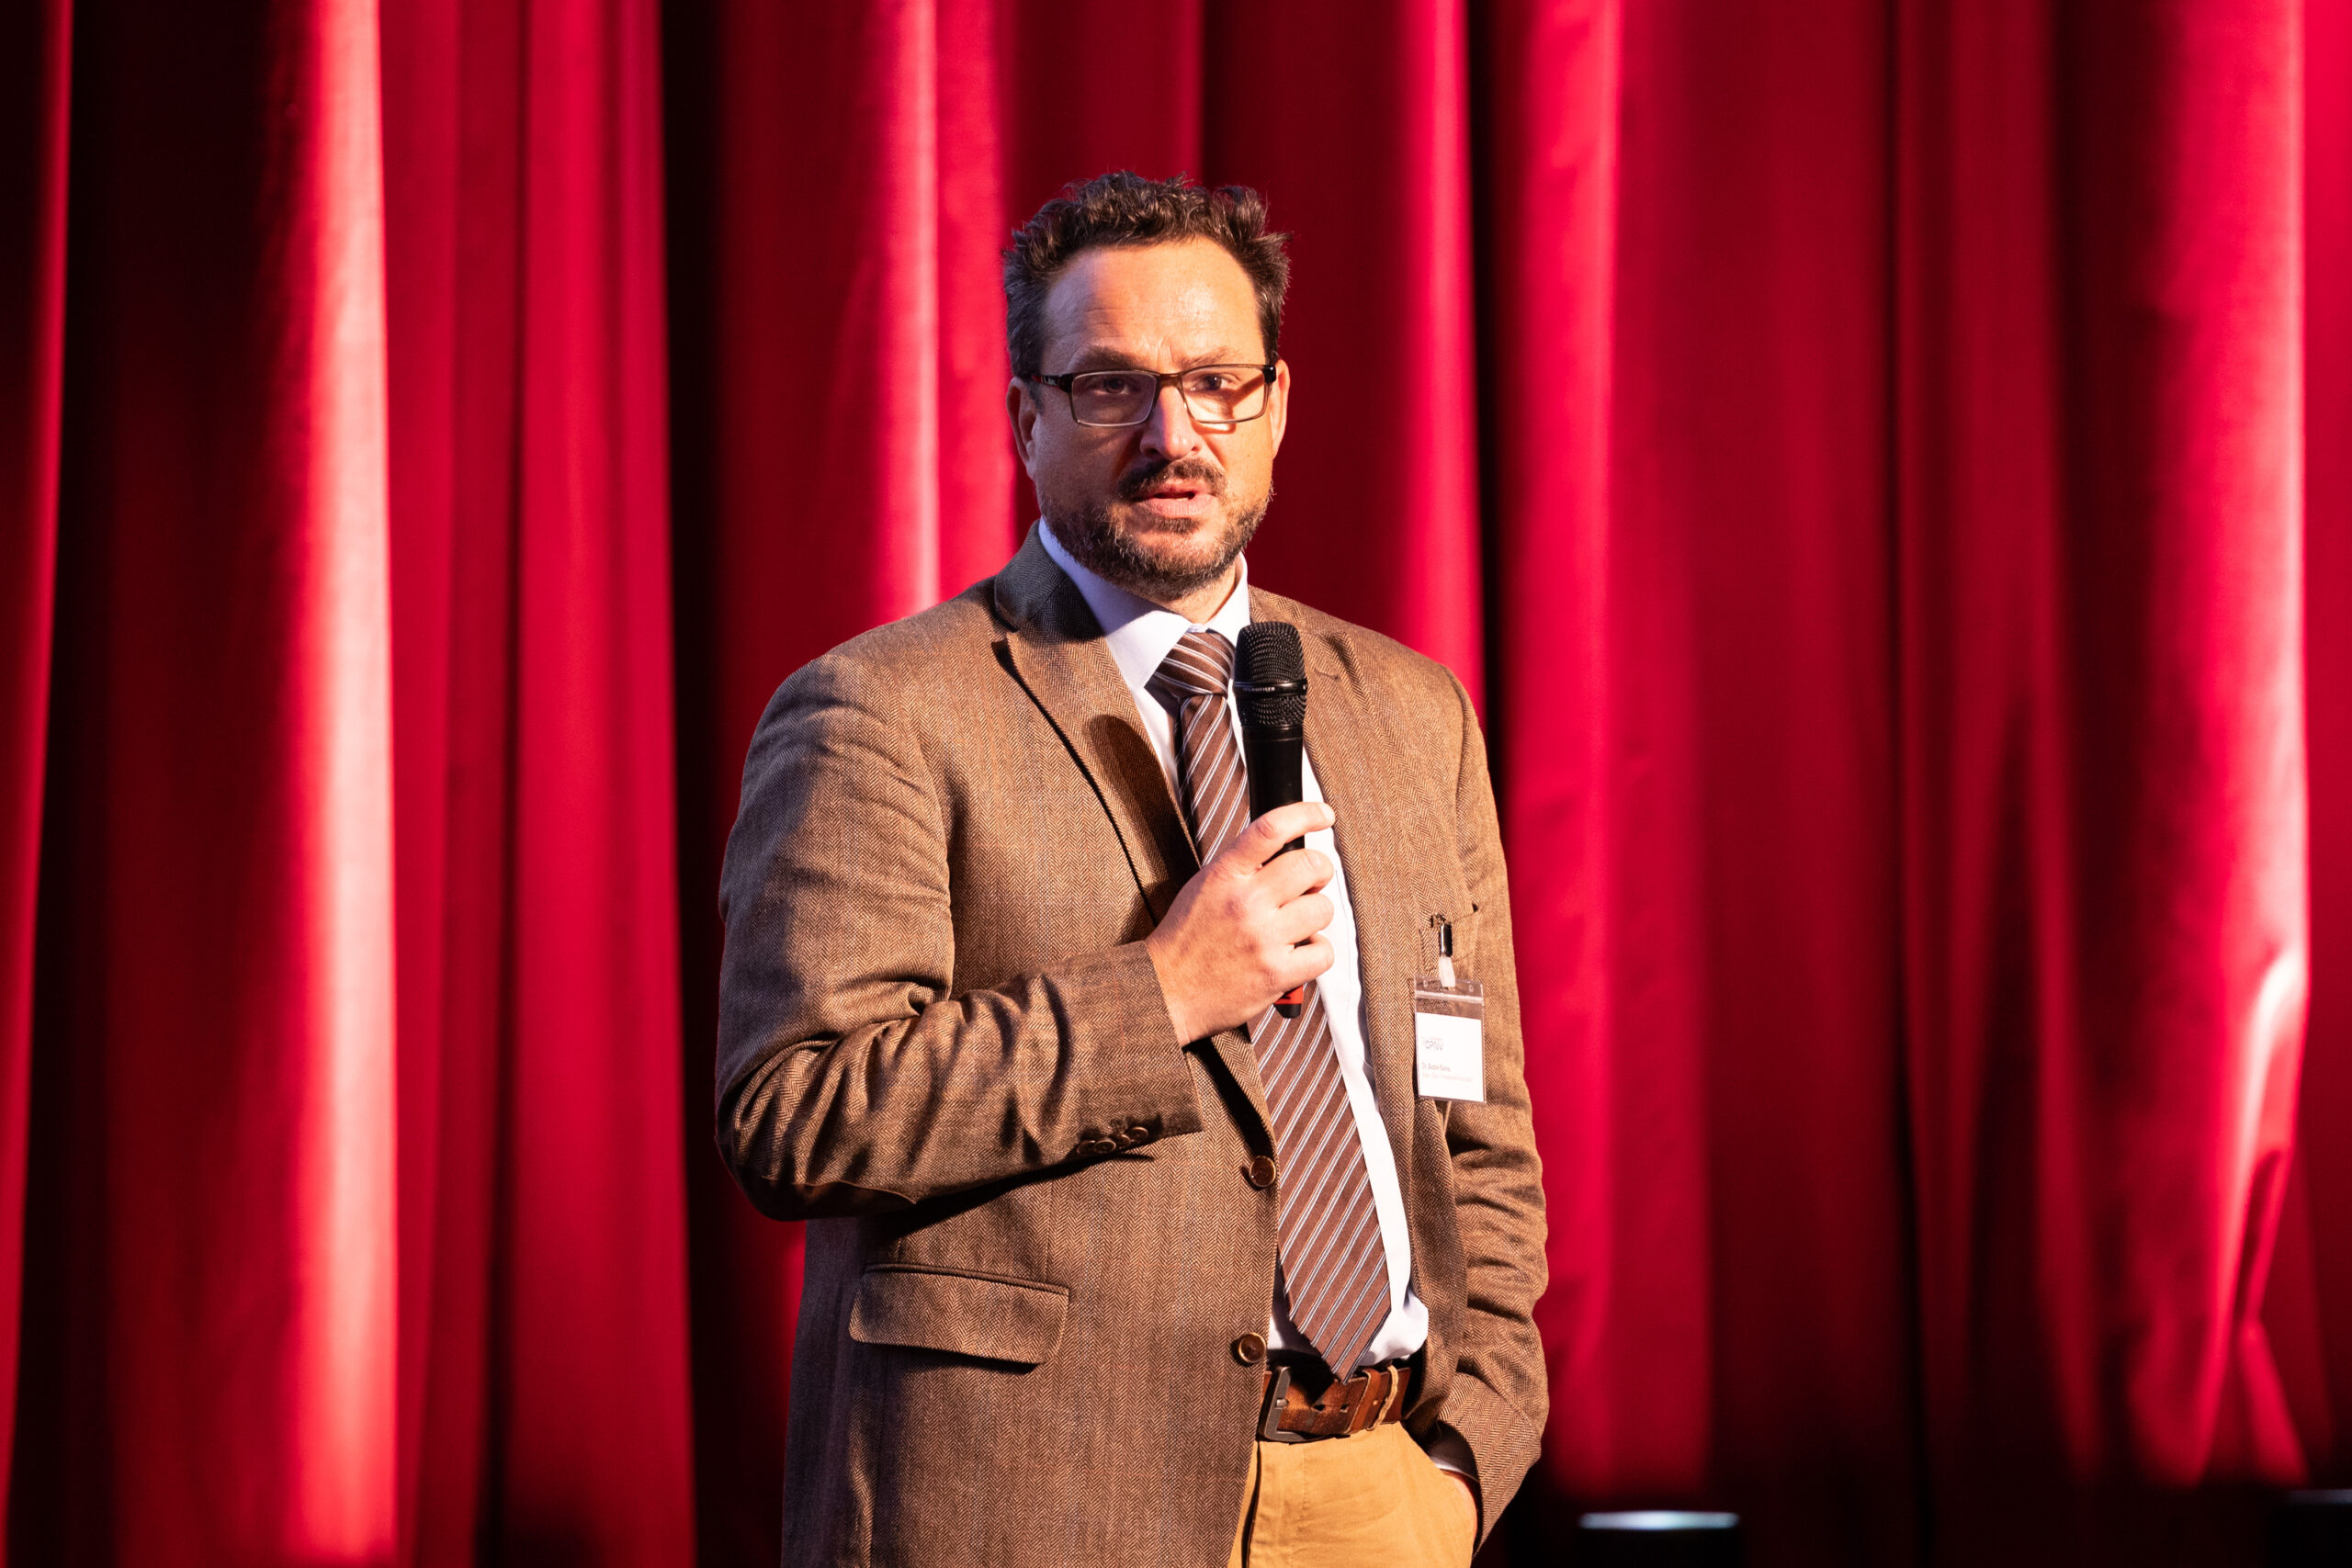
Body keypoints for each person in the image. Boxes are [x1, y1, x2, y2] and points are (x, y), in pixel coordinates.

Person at [716, 171, 1546, 1568]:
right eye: (1111, 387)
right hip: (1035, 1511)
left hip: (1384, 1498)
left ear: (1275, 406)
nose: (1174, 435)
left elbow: (1480, 1129)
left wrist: (1468, 1461)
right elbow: (796, 1113)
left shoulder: (1415, 714)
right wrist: (1159, 996)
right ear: (1025, 420)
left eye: (1217, 383)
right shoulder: (879, 712)